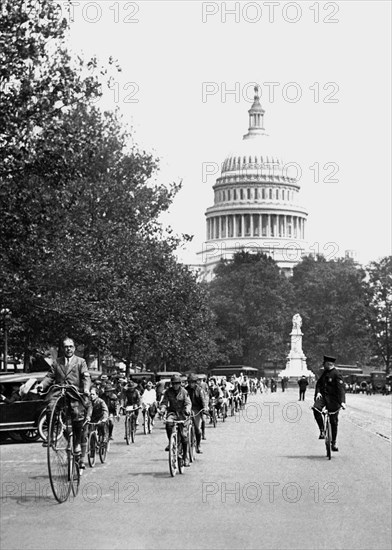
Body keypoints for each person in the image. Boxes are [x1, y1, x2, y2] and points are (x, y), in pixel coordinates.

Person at [36, 338, 91, 466]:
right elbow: (50, 376)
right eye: (66, 347)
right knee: (50, 407)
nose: (68, 349)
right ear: (63, 348)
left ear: (74, 347)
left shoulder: (80, 362)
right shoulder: (57, 362)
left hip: (74, 392)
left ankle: (77, 443)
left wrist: (86, 389)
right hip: (59, 392)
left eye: (71, 346)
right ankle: (51, 436)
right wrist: (42, 385)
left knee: (77, 414)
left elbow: (86, 377)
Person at [312, 356, 346, 452]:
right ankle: (322, 430)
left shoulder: (337, 374)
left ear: (329, 364)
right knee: (315, 409)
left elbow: (341, 389)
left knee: (333, 421)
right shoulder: (324, 373)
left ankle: (333, 442)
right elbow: (319, 384)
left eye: (325, 363)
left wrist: (342, 402)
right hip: (323, 397)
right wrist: (318, 392)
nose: (323, 365)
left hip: (334, 400)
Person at [159, 374, 191, 467]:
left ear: (180, 384)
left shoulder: (184, 392)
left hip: (182, 414)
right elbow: (164, 402)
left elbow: (188, 403)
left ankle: (185, 457)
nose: (175, 385)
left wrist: (187, 410)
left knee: (184, 437)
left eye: (177, 383)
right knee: (168, 424)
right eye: (174, 383)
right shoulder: (168, 392)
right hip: (172, 413)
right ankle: (171, 441)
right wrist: (162, 409)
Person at [186, 373, 208, 454]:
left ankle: (198, 445)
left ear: (195, 382)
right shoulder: (185, 390)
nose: (191, 384)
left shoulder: (200, 390)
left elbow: (203, 400)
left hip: (197, 409)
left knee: (197, 429)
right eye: (190, 382)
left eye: (193, 382)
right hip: (187, 410)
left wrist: (204, 408)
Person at [85, 386, 109, 452]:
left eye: (93, 394)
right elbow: (87, 411)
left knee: (102, 427)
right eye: (91, 394)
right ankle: (92, 448)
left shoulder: (101, 402)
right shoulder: (88, 402)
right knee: (89, 433)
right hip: (92, 419)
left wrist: (104, 418)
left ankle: (104, 440)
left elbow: (105, 411)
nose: (91, 396)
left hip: (100, 418)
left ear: (97, 395)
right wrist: (87, 417)